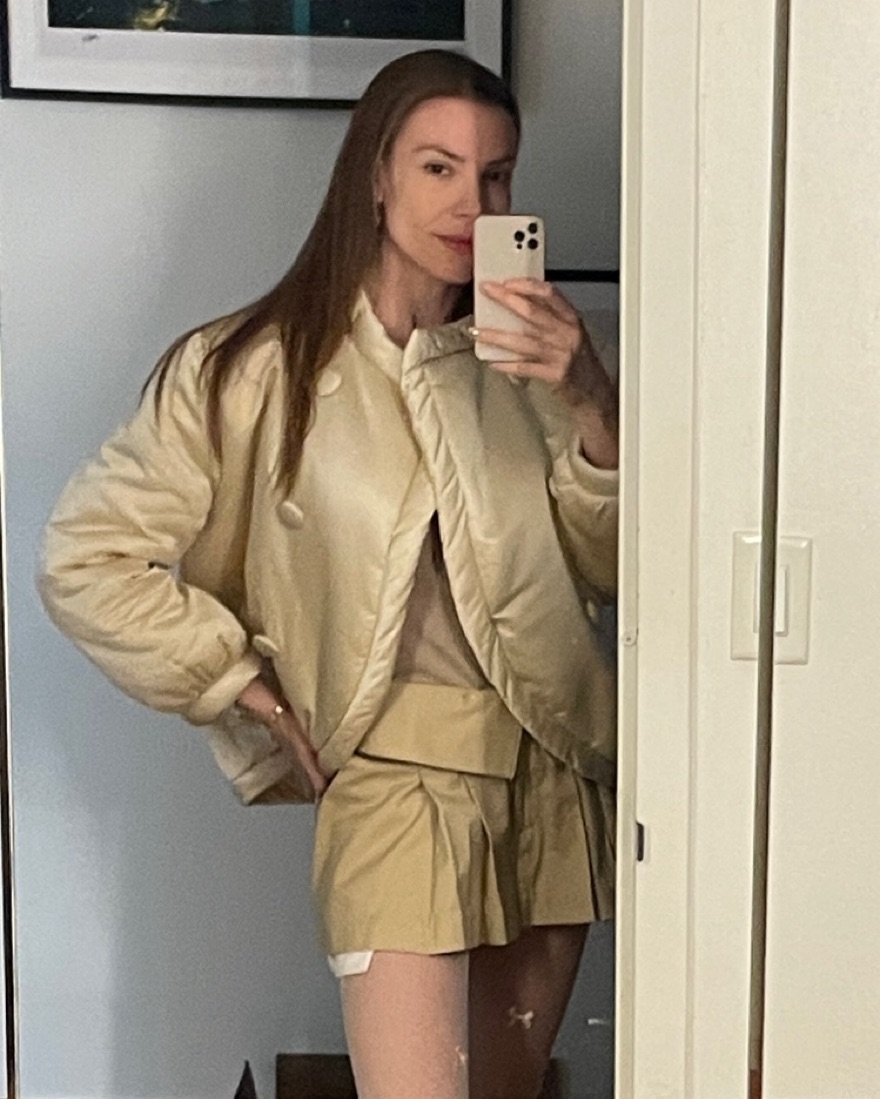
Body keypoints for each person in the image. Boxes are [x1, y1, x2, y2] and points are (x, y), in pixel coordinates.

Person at [39, 49, 618, 1099]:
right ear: (375, 177)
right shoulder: (250, 367)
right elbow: (86, 556)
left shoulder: (538, 365)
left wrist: (591, 401)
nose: (470, 202)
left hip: (549, 771)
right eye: (437, 167)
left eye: (494, 174)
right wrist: (236, 681)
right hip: (392, 778)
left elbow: (615, 574)